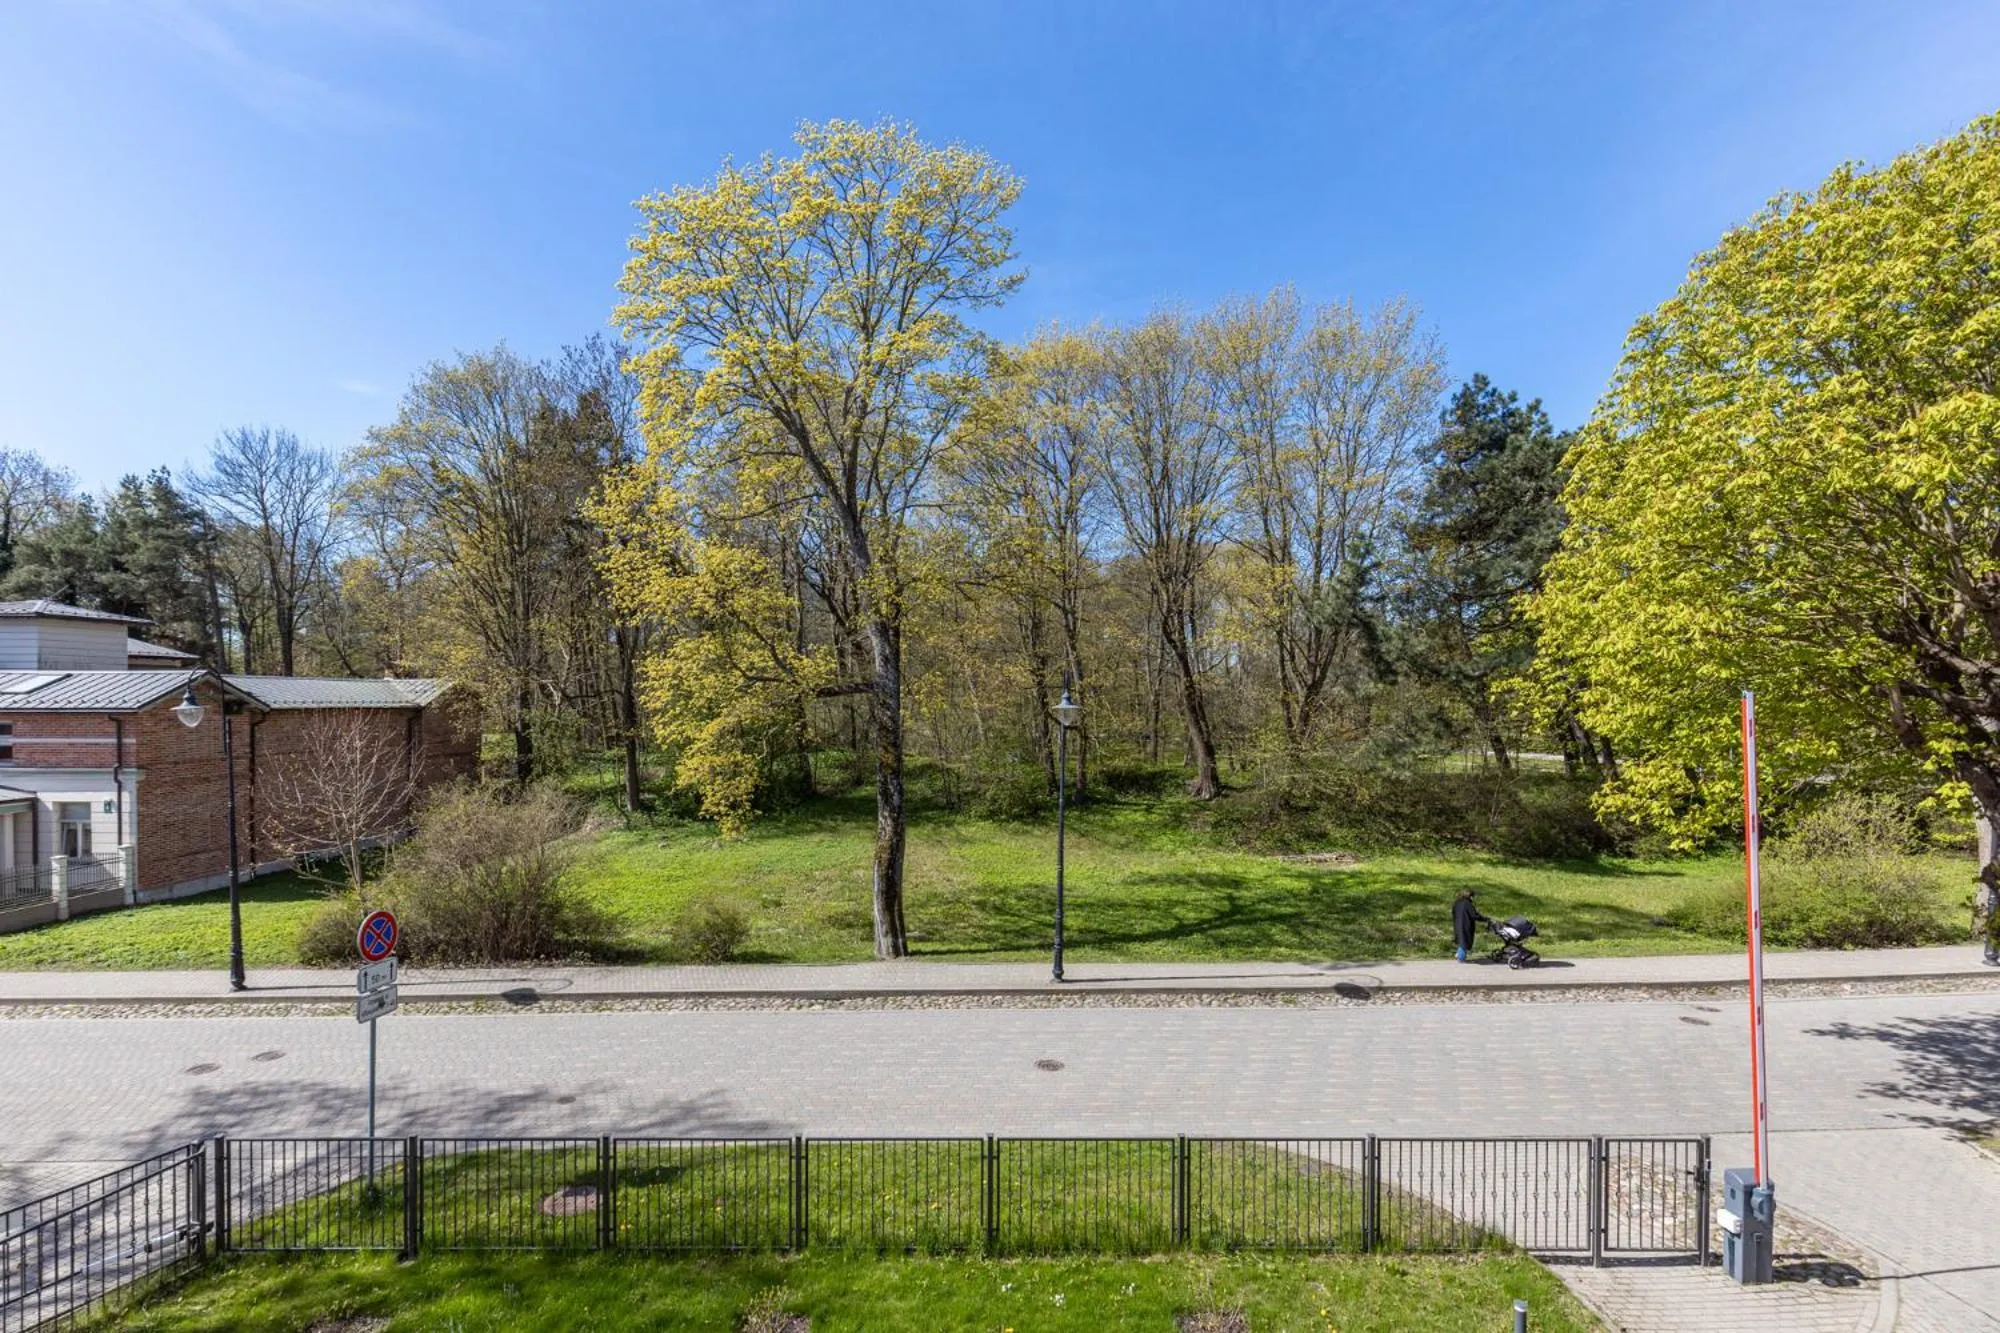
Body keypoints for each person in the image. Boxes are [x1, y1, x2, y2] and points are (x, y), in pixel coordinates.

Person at [1452, 889, 1488, 963]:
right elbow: (1474, 915)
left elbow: (1453, 912)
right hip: (1466, 925)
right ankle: (1461, 958)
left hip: (1457, 924)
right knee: (1464, 942)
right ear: (1469, 896)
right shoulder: (1468, 904)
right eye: (1472, 896)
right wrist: (1485, 919)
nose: (1473, 898)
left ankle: (1459, 955)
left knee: (1461, 940)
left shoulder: (1457, 902)